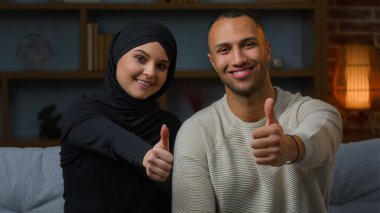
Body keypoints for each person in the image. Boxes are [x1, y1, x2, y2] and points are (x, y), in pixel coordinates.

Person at [172, 9, 342, 213]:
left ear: (267, 51)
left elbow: (319, 138)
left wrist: (290, 147)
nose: (238, 59)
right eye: (224, 50)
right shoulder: (195, 132)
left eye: (248, 44)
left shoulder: (315, 112)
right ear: (213, 62)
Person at [60, 20, 181, 212]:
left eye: (161, 66)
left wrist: (165, 176)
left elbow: (179, 196)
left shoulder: (168, 126)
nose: (150, 72)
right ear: (117, 56)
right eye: (141, 59)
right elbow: (109, 136)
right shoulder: (80, 111)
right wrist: (146, 155)